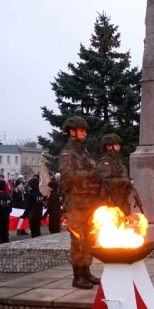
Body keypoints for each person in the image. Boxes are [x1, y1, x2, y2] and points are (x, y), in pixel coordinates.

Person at [58, 116, 103, 289]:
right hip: (75, 203)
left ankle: (86, 271)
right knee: (78, 239)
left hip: (90, 202)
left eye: (85, 131)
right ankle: (77, 276)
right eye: (81, 130)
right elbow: (68, 176)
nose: (85, 134)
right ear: (72, 132)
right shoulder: (67, 153)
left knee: (90, 238)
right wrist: (90, 174)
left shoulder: (85, 153)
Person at [96, 133, 136, 216]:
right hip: (110, 202)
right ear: (108, 146)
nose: (119, 146)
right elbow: (104, 182)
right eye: (116, 144)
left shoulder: (119, 164)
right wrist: (124, 180)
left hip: (123, 201)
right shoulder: (104, 163)